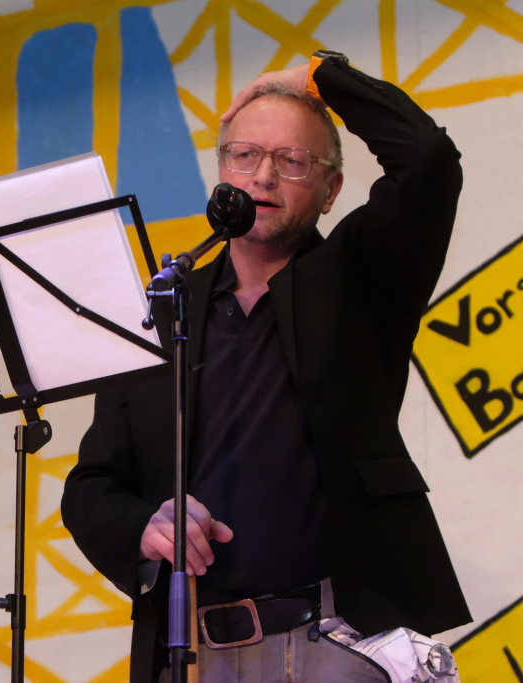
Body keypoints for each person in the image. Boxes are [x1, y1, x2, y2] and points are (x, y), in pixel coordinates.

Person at [60, 51, 471, 682]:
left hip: (336, 640)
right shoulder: (163, 311)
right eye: (244, 155)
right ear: (221, 173)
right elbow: (92, 486)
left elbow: (428, 159)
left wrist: (318, 74)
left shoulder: (363, 278)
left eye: (293, 160)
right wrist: (142, 526)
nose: (263, 176)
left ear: (332, 191)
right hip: (190, 650)